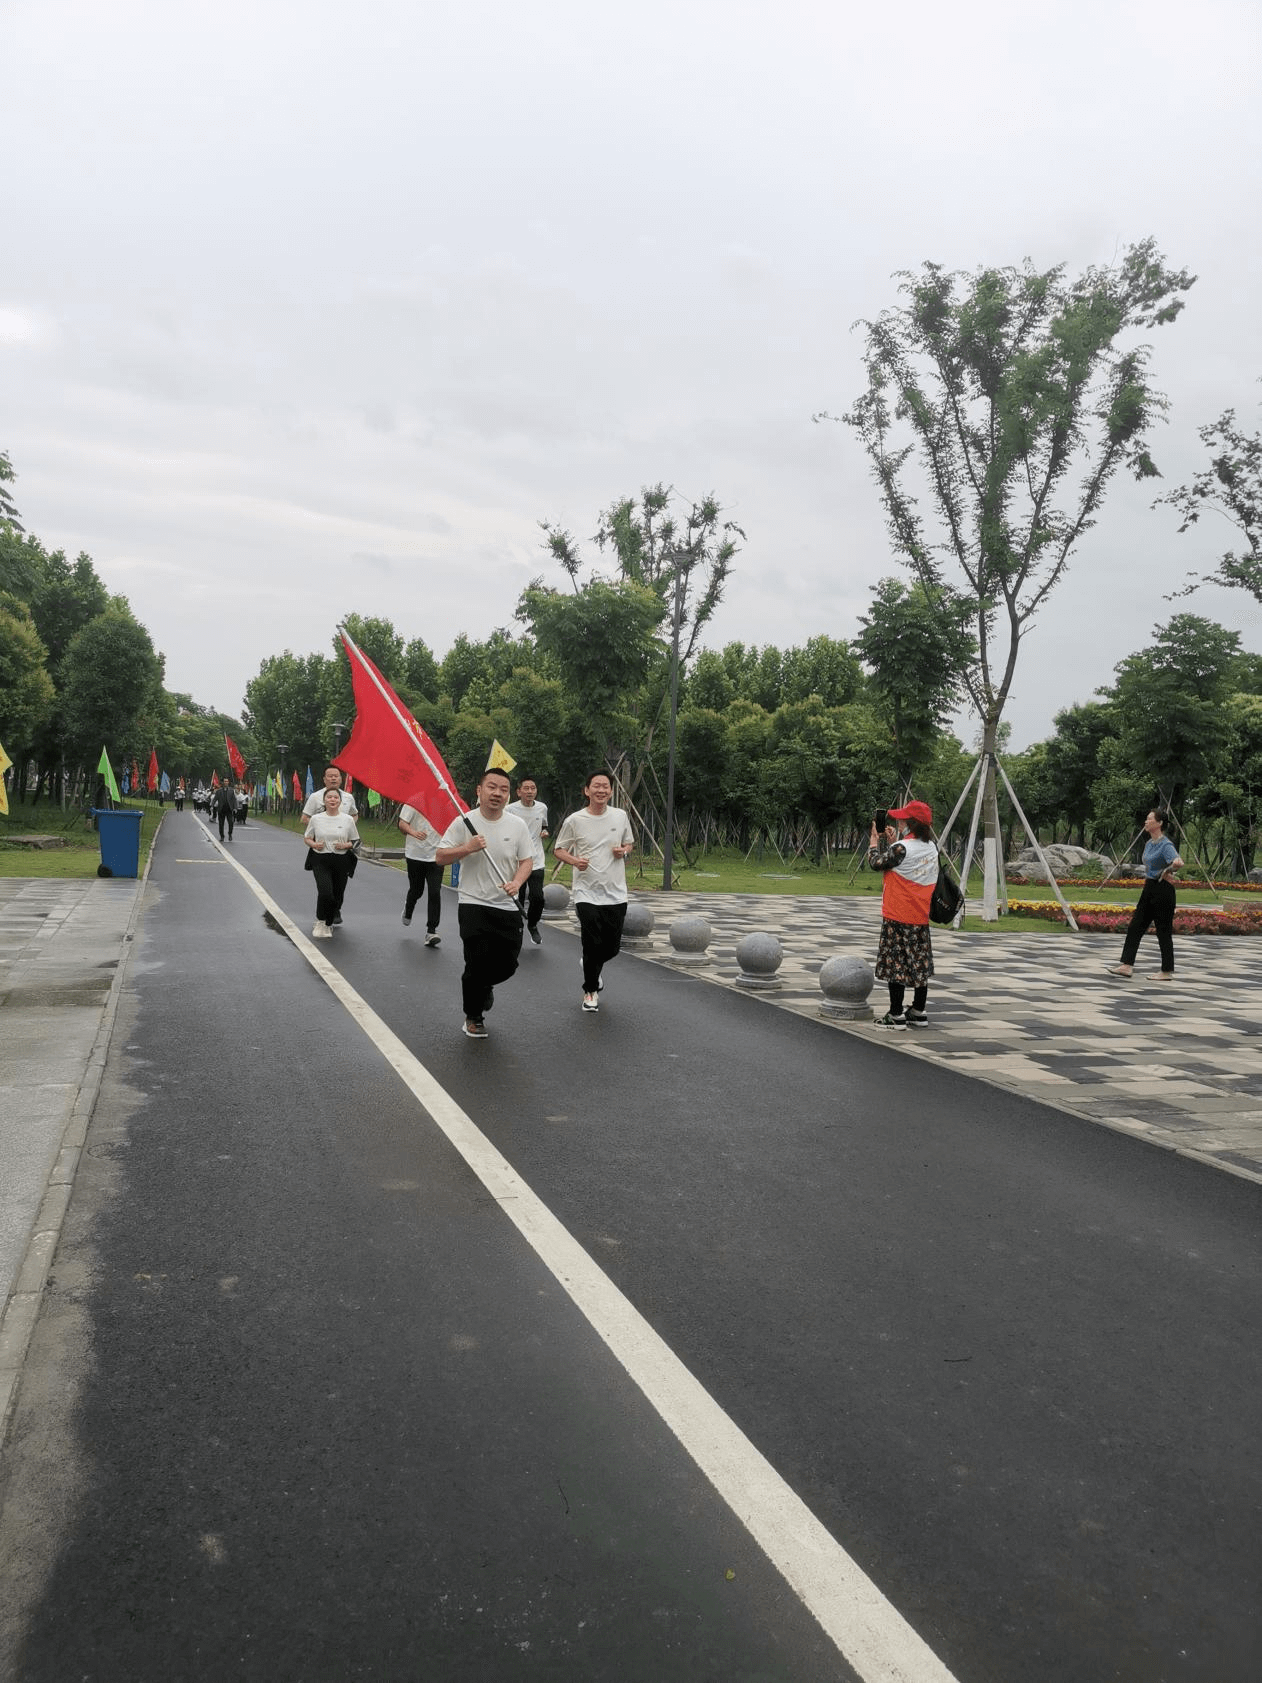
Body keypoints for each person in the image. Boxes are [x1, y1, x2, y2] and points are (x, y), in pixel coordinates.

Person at [435, 769, 533, 1040]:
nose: (497, 793)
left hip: (507, 905)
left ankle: (485, 985)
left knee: (508, 965)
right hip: (473, 903)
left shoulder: (517, 825)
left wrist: (517, 882)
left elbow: (527, 860)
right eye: (491, 787)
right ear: (479, 791)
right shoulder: (464, 822)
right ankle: (473, 1016)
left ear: (509, 794)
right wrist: (467, 848)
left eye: (503, 789)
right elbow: (440, 857)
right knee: (476, 963)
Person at [553, 772, 635, 1012]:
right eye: (596, 786)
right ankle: (590, 991)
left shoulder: (620, 816)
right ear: (587, 790)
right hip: (586, 892)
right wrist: (574, 861)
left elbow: (629, 843)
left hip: (616, 892)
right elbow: (559, 849)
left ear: (611, 791)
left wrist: (624, 851)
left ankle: (591, 964)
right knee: (591, 943)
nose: (601, 790)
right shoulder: (575, 820)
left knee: (612, 948)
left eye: (605, 786)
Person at [868, 800, 939, 1028]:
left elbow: (876, 863)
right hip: (920, 915)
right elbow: (904, 862)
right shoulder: (931, 847)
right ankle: (918, 1010)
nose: (898, 822)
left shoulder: (902, 848)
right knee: (919, 964)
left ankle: (896, 1014)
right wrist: (893, 842)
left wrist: (874, 841)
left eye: (902, 819)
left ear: (912, 823)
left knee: (895, 964)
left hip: (897, 914)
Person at [1107, 809, 1183, 981]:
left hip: (1163, 890)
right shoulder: (1149, 844)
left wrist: (1170, 869)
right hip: (1149, 887)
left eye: (1150, 819)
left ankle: (1166, 971)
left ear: (1159, 823)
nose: (1146, 822)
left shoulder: (1166, 845)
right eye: (1147, 819)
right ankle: (1127, 965)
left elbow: (1178, 862)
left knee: (1163, 930)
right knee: (1136, 926)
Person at [303, 788, 360, 939]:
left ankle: (328, 923)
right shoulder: (316, 819)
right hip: (320, 859)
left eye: (336, 797)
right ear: (324, 800)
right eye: (329, 797)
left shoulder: (347, 819)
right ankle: (322, 921)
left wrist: (346, 845)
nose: (333, 800)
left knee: (337, 895)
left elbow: (356, 841)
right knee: (325, 892)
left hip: (341, 861)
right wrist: (314, 844)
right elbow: (307, 838)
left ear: (340, 801)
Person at [506, 777, 549, 946]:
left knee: (538, 898)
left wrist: (544, 832)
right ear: (519, 792)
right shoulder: (510, 809)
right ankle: (517, 928)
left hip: (536, 859)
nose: (530, 791)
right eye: (526, 788)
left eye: (533, 788)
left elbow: (544, 826)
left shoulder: (542, 808)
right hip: (517, 861)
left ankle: (532, 924)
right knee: (519, 896)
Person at [398, 801, 444, 946]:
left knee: (435, 892)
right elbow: (402, 824)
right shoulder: (414, 801)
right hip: (415, 854)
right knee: (417, 890)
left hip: (436, 856)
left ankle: (431, 931)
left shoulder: (444, 801)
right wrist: (414, 832)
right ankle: (408, 908)